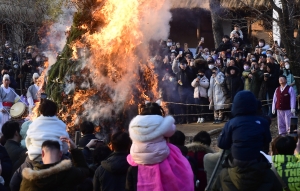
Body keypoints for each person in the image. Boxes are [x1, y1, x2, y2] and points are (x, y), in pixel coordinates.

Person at [212, 91, 280, 191]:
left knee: (219, 178)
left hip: (236, 163)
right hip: (256, 161)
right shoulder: (262, 122)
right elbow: (267, 139)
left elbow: (222, 144)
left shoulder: (231, 123)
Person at [126, 102, 193, 191]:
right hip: (161, 155)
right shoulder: (162, 121)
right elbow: (171, 132)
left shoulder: (134, 123)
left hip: (137, 157)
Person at [20, 138, 89, 191]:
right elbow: (85, 170)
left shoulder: (29, 179)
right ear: (60, 154)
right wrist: (74, 149)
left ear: (42, 153)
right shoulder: (71, 173)